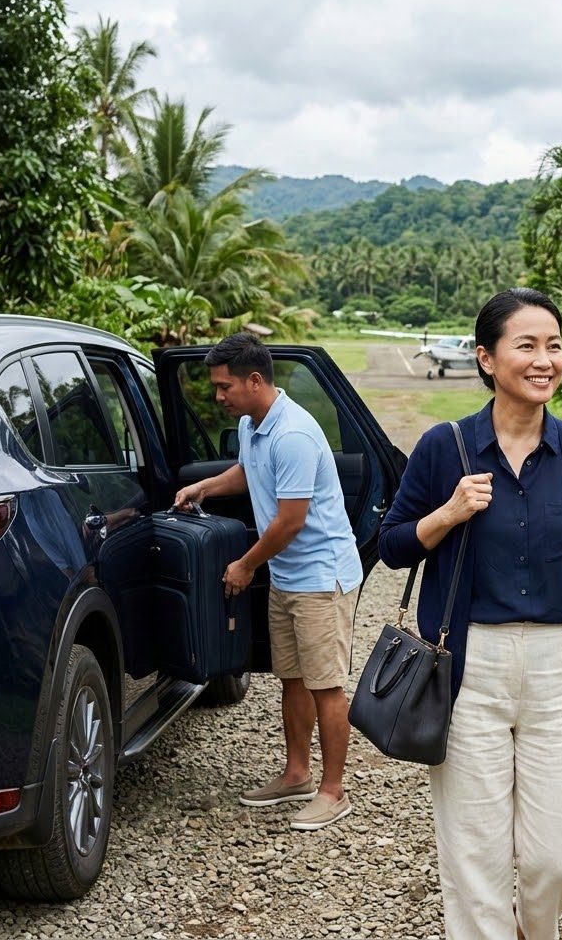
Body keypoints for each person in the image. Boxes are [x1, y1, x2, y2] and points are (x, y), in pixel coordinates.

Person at [378, 287, 562, 939]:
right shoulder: (443, 448)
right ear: (486, 358)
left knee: (559, 856)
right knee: (474, 856)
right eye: (527, 345)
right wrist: (447, 514)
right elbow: (391, 547)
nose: (545, 359)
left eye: (555, 345)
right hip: (468, 670)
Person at [174, 332, 362, 831]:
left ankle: (333, 791)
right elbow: (248, 472)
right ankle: (297, 774)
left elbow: (289, 521)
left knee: (327, 686)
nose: (218, 395)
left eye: (223, 385)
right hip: (289, 575)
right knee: (293, 679)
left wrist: (245, 565)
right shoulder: (252, 424)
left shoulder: (293, 434)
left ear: (255, 380)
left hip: (321, 577)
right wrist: (204, 487)